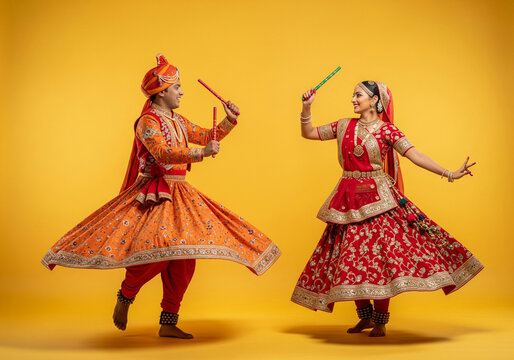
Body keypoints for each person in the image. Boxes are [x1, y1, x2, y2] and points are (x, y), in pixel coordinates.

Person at [42, 54, 281, 339]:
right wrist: (199, 154)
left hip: (180, 192)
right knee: (154, 251)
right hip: (154, 193)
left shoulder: (177, 119)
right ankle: (126, 296)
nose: (181, 91)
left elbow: (206, 136)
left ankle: (169, 320)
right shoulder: (147, 122)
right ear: (162, 91)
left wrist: (229, 122)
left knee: (185, 255)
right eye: (177, 86)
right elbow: (162, 153)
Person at [290, 81, 483, 337]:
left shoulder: (388, 131)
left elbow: (416, 155)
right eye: (353, 95)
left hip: (379, 199)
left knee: (381, 259)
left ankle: (381, 320)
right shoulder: (343, 126)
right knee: (350, 257)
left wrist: (449, 173)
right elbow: (309, 133)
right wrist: (306, 108)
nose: (353, 100)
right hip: (347, 200)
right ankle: (366, 318)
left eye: (358, 95)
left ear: (375, 100)